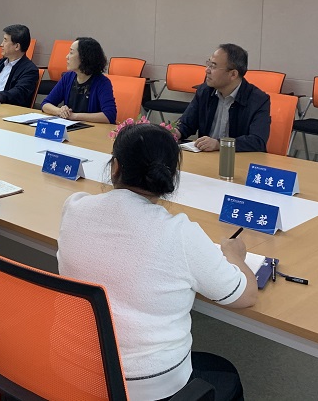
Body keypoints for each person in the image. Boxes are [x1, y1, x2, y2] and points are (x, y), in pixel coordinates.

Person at [59, 123, 256, 401]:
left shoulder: (75, 207)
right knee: (224, 371)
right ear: (171, 177)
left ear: (115, 167)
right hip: (146, 387)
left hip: (69, 369)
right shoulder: (179, 233)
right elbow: (245, 296)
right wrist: (235, 255)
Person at [177, 43, 271, 152]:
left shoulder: (258, 100)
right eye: (208, 64)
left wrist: (219, 144)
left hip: (238, 158)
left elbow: (257, 141)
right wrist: (173, 132)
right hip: (206, 156)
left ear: (233, 74)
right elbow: (186, 124)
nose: (207, 70)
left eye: (213, 66)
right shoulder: (205, 91)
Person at [41, 37, 117, 123]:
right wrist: (60, 111)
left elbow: (109, 116)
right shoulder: (67, 77)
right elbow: (45, 104)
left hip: (92, 128)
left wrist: (75, 116)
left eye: (71, 53)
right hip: (70, 126)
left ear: (84, 57)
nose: (67, 57)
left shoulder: (102, 82)